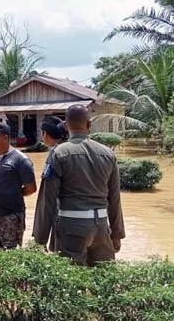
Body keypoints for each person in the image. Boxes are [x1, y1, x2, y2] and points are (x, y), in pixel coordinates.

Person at [33, 105, 125, 266]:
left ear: (66, 126)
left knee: (72, 282)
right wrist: (116, 234)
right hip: (102, 226)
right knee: (103, 279)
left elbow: (47, 199)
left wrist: (40, 239)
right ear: (89, 125)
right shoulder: (108, 154)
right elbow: (115, 198)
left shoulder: (59, 153)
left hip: (71, 228)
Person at [0, 123, 37, 249]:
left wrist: (11, 193)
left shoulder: (21, 160)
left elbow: (31, 188)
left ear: (5, 138)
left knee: (11, 254)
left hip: (10, 216)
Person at [32, 116, 68, 251]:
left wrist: (40, 239)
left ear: (45, 134)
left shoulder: (55, 154)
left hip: (64, 219)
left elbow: (47, 198)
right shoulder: (79, 149)